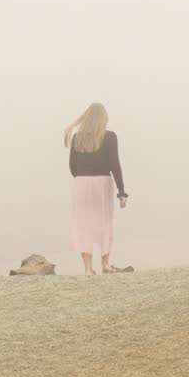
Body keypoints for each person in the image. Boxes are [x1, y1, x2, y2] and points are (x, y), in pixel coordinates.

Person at [64, 102, 128, 275]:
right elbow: (115, 164)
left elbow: (72, 166)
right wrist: (121, 192)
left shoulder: (78, 137)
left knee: (83, 225)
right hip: (102, 183)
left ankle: (87, 269)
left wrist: (83, 178)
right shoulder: (109, 136)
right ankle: (105, 265)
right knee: (104, 223)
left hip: (81, 183)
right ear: (103, 119)